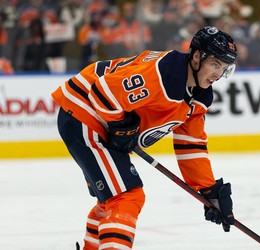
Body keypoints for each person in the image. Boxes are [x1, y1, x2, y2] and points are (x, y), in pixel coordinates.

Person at [51, 26, 237, 250]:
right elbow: (102, 91)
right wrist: (120, 124)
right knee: (126, 196)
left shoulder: (199, 95)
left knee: (112, 199)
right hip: (85, 113)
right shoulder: (163, 74)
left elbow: (191, 144)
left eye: (224, 68)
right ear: (197, 57)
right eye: (215, 64)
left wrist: (208, 191)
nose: (218, 74)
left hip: (99, 123)